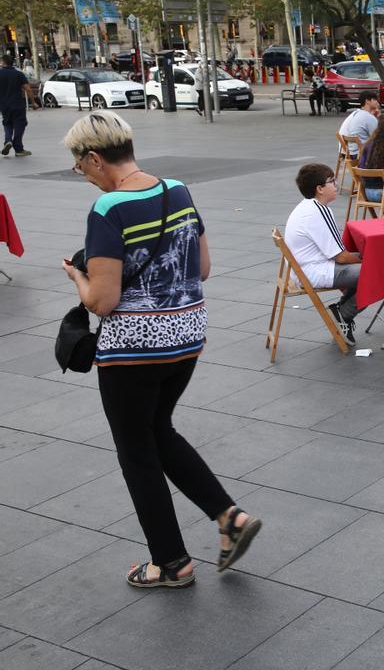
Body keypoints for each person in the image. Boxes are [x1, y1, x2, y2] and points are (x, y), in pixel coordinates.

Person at [60, 111, 261, 588]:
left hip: (133, 350)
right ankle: (228, 518)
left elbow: (103, 300)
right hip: (187, 338)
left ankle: (171, 562)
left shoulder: (109, 209)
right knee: (158, 430)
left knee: (136, 451)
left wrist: (78, 277)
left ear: (94, 157)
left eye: (79, 165)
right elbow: (204, 267)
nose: (81, 174)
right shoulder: (177, 190)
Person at [284, 163, 363, 344]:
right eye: (332, 181)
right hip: (314, 272)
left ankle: (342, 310)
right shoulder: (317, 210)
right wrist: (366, 257)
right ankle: (344, 314)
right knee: (379, 271)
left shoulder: (307, 206)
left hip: (305, 269)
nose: (336, 185)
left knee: (372, 264)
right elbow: (341, 256)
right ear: (319, 189)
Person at [1, 53, 39, 157]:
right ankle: (18, 149)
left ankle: (8, 141)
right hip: (18, 104)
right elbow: (28, 89)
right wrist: (34, 102)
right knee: (20, 125)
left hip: (4, 105)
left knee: (7, 123)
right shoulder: (19, 74)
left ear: (3, 62)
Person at [339, 91, 381, 160]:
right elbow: (378, 138)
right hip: (359, 154)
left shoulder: (356, 113)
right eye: (375, 100)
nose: (377, 102)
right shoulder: (369, 117)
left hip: (346, 152)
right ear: (367, 101)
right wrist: (378, 119)